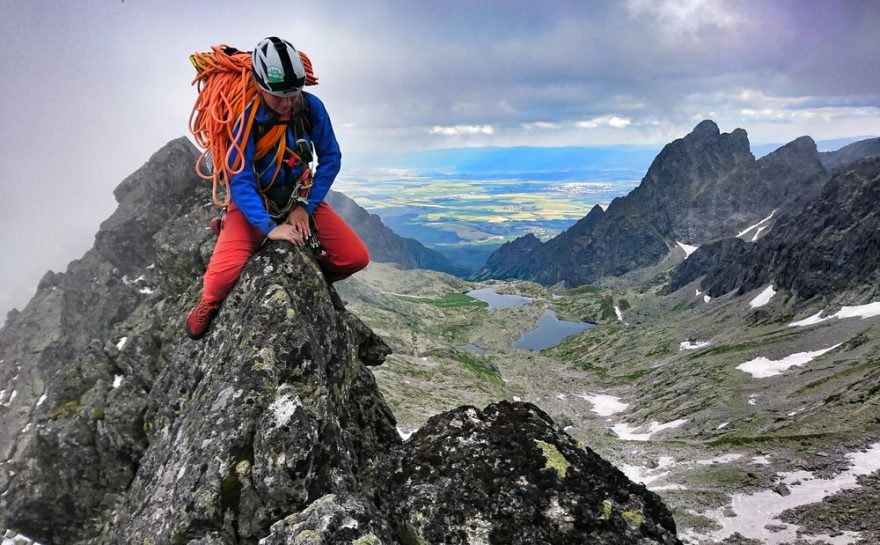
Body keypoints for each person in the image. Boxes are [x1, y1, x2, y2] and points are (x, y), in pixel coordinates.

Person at [185, 36, 369, 340]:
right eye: (277, 96)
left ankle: (307, 279)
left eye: (292, 94)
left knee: (354, 257)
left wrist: (304, 207)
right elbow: (239, 178)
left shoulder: (310, 107)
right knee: (220, 279)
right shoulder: (243, 117)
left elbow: (331, 158)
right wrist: (269, 228)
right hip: (254, 204)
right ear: (260, 86)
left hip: (298, 196)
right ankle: (208, 304)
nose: (286, 103)